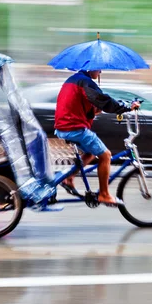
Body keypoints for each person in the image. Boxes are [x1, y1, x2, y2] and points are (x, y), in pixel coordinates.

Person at [54, 69, 140, 206]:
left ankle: (69, 178)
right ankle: (104, 195)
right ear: (90, 68)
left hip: (64, 127)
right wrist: (127, 107)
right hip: (74, 127)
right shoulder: (85, 82)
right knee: (106, 155)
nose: (100, 71)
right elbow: (105, 101)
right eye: (99, 68)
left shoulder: (75, 80)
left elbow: (91, 103)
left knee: (90, 154)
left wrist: (96, 109)